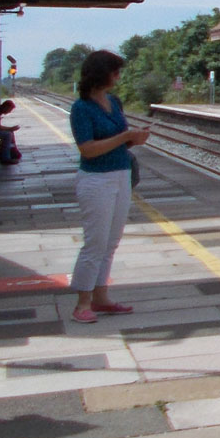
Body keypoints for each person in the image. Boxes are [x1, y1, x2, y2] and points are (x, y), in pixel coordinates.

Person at [69, 50, 149, 324]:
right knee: (95, 243)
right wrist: (125, 136)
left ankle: (101, 297)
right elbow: (88, 149)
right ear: (101, 73)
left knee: (111, 242)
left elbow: (117, 140)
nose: (118, 76)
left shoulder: (114, 102)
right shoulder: (81, 108)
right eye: (115, 71)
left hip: (121, 174)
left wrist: (133, 139)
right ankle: (82, 303)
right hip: (96, 180)